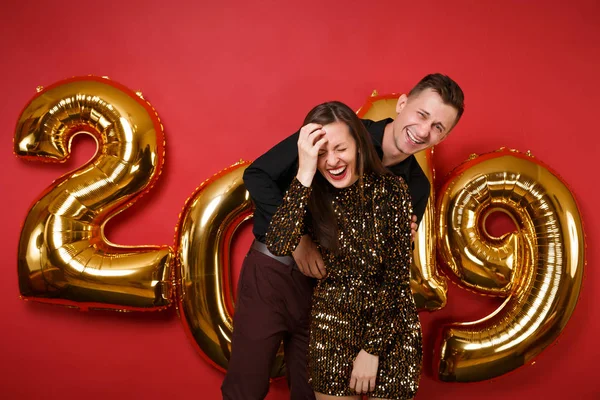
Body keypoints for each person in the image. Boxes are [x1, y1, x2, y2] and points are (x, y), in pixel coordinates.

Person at [221, 74, 464, 400]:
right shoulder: (344, 131)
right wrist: (299, 241)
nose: (423, 131)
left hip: (334, 298)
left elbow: (388, 268)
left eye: (438, 127)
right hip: (277, 273)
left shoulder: (414, 188)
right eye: (422, 115)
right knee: (246, 388)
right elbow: (259, 174)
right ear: (403, 104)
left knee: (311, 393)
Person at [266, 101, 419, 399]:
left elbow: (396, 280)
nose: (332, 161)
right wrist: (305, 172)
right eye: (321, 153)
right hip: (332, 328)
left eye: (340, 149)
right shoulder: (308, 192)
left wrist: (371, 350)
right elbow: (279, 243)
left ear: (359, 146)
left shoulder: (392, 190)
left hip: (391, 330)